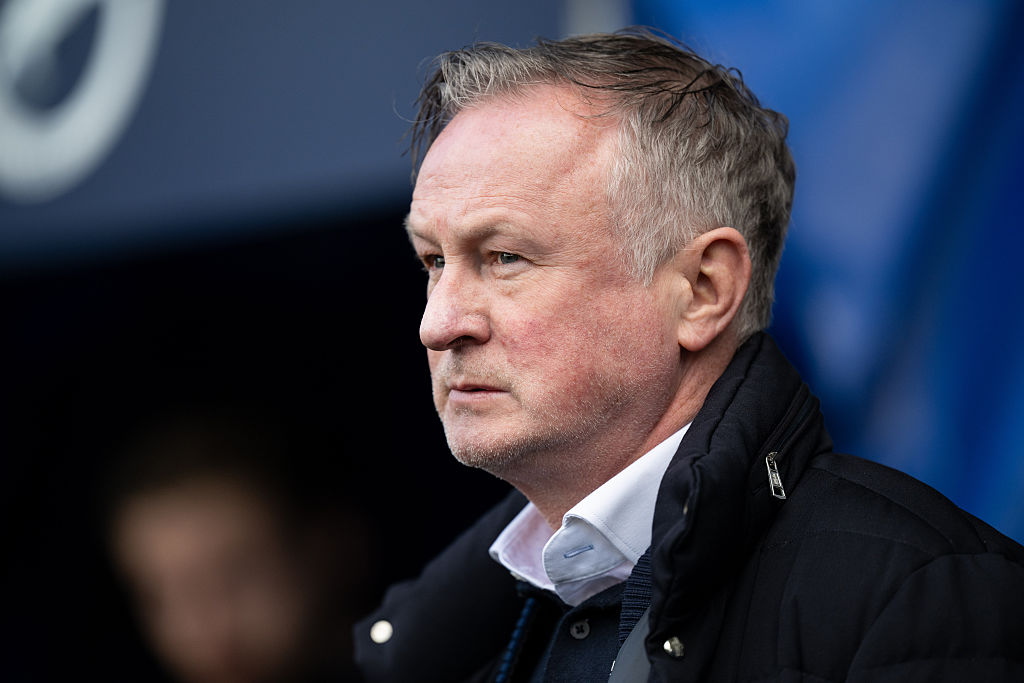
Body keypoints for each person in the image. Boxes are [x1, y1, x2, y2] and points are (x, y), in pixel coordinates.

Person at [354, 29, 1024, 681]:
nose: (438, 323)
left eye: (503, 257)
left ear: (703, 290)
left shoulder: (920, 593)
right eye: (434, 261)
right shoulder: (449, 641)